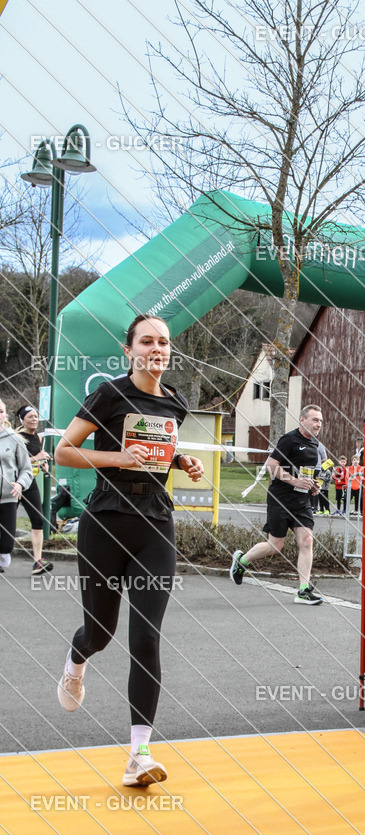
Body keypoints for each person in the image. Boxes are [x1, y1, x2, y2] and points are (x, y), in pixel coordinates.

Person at [55, 315, 204, 787]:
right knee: (100, 633)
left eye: (163, 341)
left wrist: (183, 460)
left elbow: (160, 451)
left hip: (155, 526)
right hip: (105, 523)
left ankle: (138, 754)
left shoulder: (176, 401)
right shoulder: (110, 394)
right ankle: (76, 662)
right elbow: (64, 450)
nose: (156, 348)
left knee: (146, 638)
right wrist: (117, 457)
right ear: (129, 350)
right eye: (147, 341)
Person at [230, 405, 324, 604]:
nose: (318, 424)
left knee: (307, 541)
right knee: (275, 545)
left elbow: (305, 473)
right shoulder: (289, 440)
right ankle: (242, 561)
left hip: (301, 501)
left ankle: (303, 590)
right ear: (302, 420)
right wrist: (294, 481)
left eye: (321, 421)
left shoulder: (315, 445)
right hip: (280, 499)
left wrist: (311, 485)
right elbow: (272, 467)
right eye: (315, 420)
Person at [15, 404, 54, 575]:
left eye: (36, 416)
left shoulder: (37, 438)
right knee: (5, 523)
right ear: (22, 419)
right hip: (14, 484)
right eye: (30, 416)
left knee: (38, 520)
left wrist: (42, 465)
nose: (34, 419)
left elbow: (35, 461)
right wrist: (36, 458)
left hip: (30, 483)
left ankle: (38, 562)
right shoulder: (16, 437)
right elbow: (15, 462)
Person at [0, 399, 33, 573]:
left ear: (5, 415)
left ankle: (3, 555)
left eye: (0, 411)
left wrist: (20, 484)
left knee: (6, 545)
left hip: (8, 497)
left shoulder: (14, 439)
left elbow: (26, 470)